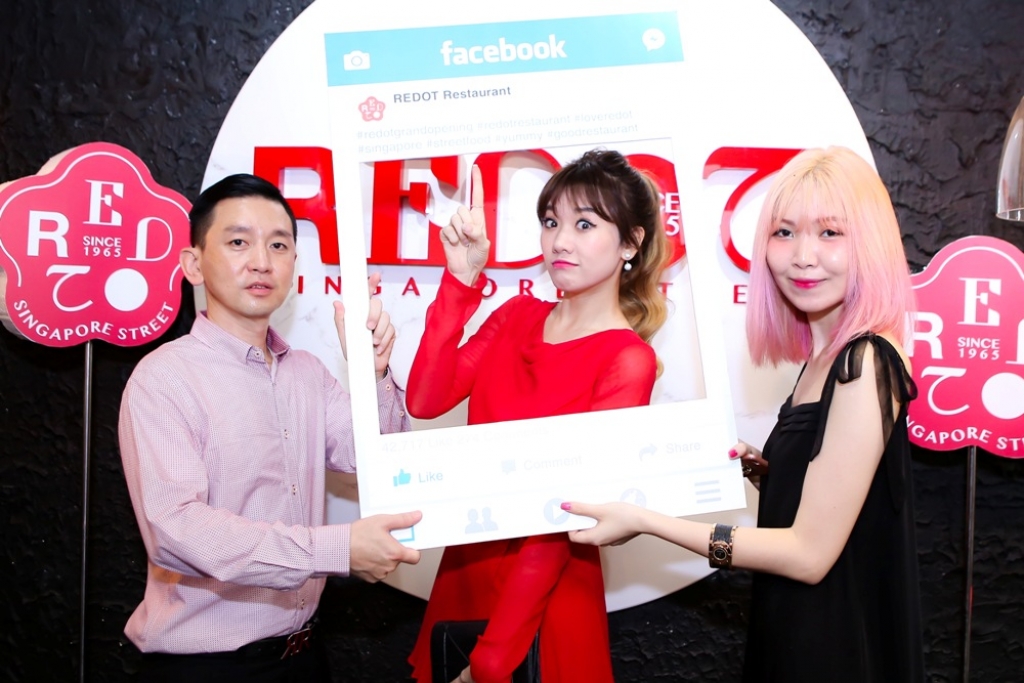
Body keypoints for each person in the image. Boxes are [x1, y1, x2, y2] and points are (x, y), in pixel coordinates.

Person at [565, 146, 925, 682]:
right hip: (794, 629)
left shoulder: (866, 359)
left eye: (830, 233)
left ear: (870, 244)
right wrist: (766, 471)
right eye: (784, 233)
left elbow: (808, 554)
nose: (803, 256)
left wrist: (646, 521)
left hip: (835, 647)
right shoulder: (822, 361)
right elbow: (833, 497)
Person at [118, 173, 422, 682]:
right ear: (193, 263)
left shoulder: (306, 372)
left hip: (304, 657)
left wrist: (374, 375)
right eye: (239, 242)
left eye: (278, 245)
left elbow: (377, 461)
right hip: (207, 670)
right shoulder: (163, 378)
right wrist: (336, 548)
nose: (261, 261)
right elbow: (177, 532)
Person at [406, 150, 671, 683]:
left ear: (631, 243)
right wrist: (460, 281)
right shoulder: (516, 315)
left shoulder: (627, 361)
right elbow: (425, 400)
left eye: (584, 224)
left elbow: (568, 516)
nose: (560, 241)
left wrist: (492, 658)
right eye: (551, 222)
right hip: (467, 571)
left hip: (543, 601)